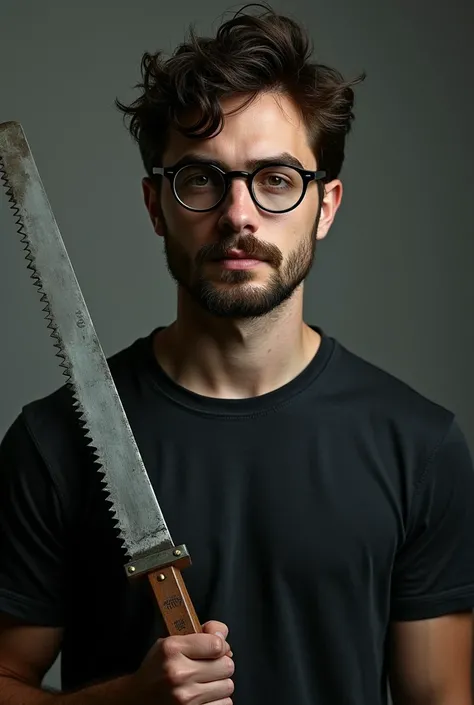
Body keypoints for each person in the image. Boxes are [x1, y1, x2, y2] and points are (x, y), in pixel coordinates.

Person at [0, 4, 473, 705]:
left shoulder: (419, 446)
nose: (239, 214)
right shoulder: (54, 441)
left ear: (328, 205)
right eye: (201, 179)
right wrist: (126, 702)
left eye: (276, 179)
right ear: (157, 206)